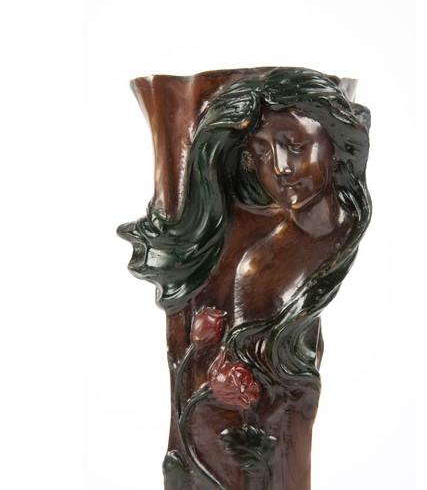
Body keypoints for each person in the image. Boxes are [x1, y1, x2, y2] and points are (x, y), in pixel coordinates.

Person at [119, 67, 371, 489]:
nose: (281, 168)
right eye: (262, 150)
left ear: (336, 143)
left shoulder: (329, 230)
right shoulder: (251, 259)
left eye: (295, 145)